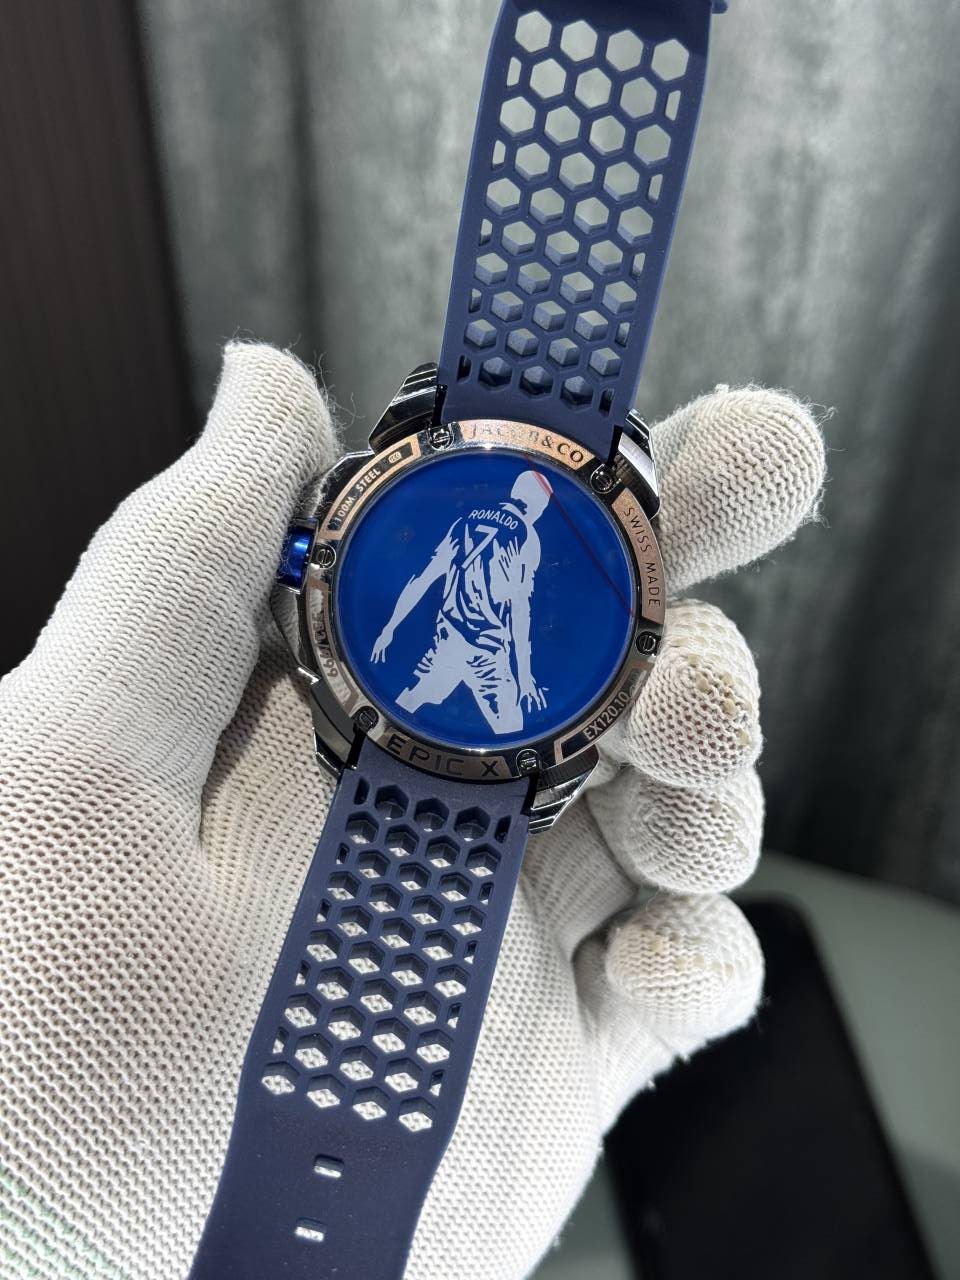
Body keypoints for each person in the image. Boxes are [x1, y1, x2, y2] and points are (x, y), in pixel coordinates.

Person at [0, 344, 825, 1279]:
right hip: (451, 677)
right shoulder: (498, 532)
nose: (526, 506)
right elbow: (474, 595)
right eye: (530, 501)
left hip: (463, 688)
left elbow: (477, 602)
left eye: (533, 503)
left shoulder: (495, 533)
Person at [372, 469, 551, 735]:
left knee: (405, 704)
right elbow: (520, 609)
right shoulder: (526, 536)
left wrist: (390, 627)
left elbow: (423, 578)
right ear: (538, 506)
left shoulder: (466, 520)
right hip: (487, 650)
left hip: (449, 639)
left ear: (515, 493)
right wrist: (524, 675)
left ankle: (375, 736)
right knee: (513, 732)